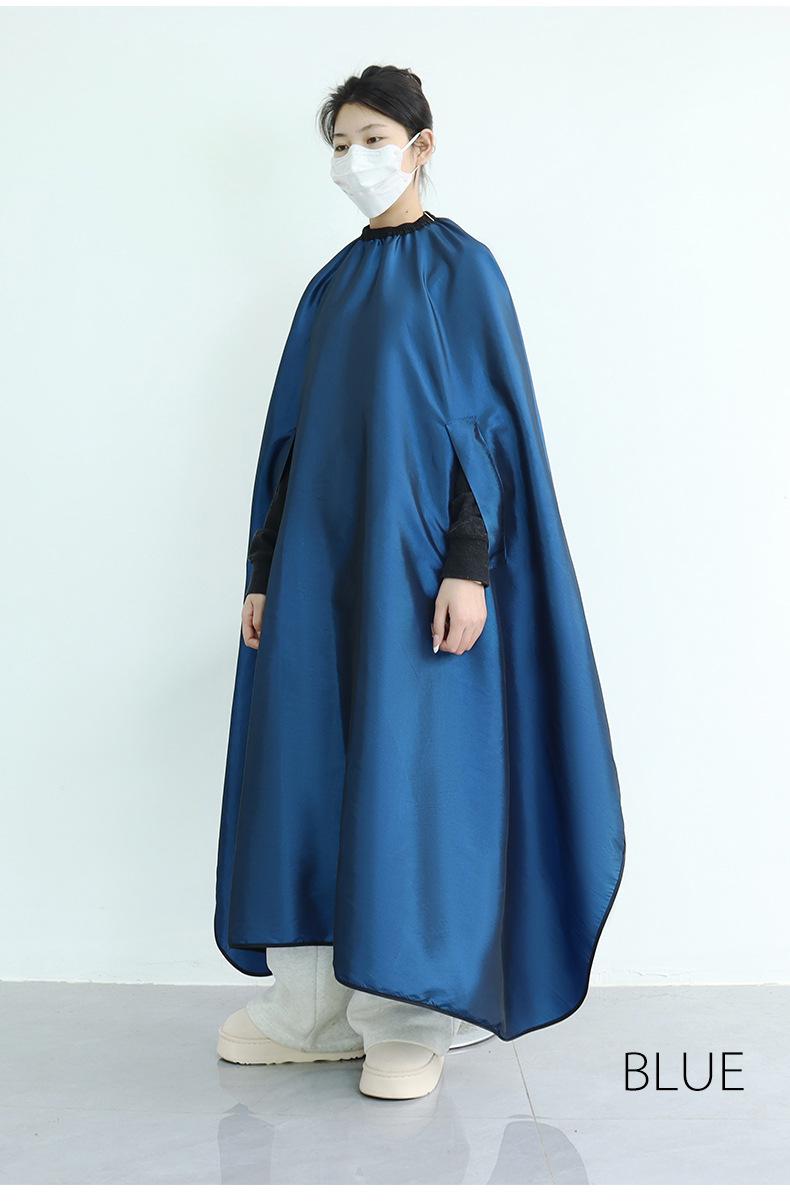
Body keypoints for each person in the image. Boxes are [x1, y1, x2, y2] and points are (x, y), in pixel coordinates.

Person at [214, 65, 626, 1102]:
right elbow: (289, 443)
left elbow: (485, 434)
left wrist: (468, 568)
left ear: (421, 145)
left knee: (407, 772)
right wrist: (263, 572)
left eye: (371, 138)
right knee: (306, 771)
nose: (355, 159)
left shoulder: (462, 272)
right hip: (316, 577)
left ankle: (408, 1013)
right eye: (340, 144)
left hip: (414, 576)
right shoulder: (330, 286)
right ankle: (312, 1011)